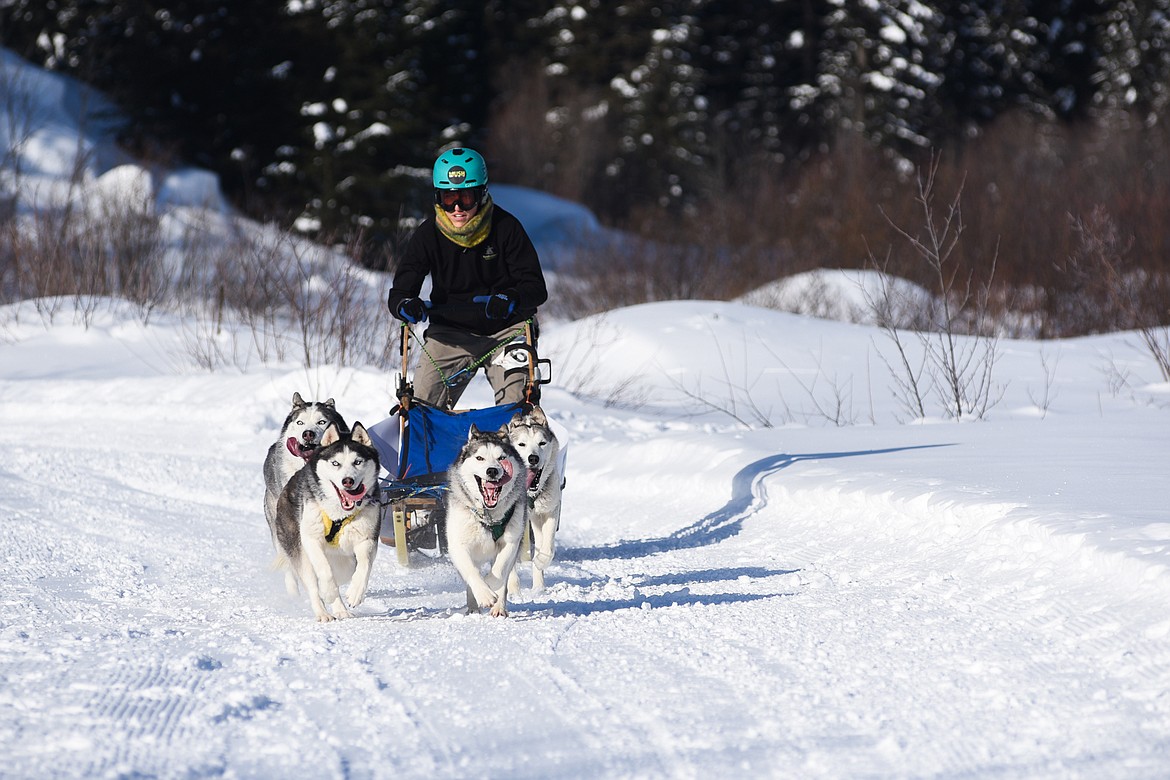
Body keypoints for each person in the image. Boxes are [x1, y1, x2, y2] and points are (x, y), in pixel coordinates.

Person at [387, 147, 548, 409]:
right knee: (421, 411)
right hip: (450, 334)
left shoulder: (507, 228)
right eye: (449, 199)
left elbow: (536, 288)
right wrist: (407, 304)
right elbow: (399, 293)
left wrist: (511, 297)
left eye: (467, 197)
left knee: (517, 409)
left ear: (482, 194)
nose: (458, 208)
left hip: (506, 332)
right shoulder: (428, 234)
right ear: (438, 198)